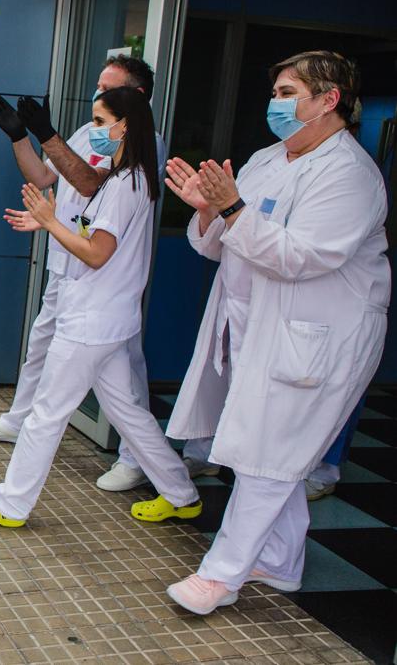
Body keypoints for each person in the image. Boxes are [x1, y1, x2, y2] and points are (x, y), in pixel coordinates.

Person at [161, 51, 388, 615]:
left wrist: (231, 206)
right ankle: (280, 562)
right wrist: (208, 211)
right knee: (272, 449)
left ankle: (221, 576)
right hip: (252, 326)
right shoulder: (268, 158)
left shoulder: (350, 176)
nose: (276, 104)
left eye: (289, 93)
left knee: (268, 452)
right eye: (277, 92)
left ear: (328, 99)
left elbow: (300, 257)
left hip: (317, 337)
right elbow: (214, 243)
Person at [0, 87, 201, 530]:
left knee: (47, 414)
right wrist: (51, 222)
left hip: (91, 322)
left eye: (99, 120)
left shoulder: (128, 183)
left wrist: (51, 222)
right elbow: (91, 227)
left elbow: (96, 253)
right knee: (128, 413)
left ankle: (10, 505)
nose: (93, 130)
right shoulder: (121, 176)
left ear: (125, 125)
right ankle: (182, 495)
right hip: (105, 320)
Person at [0, 54, 166, 493]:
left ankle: (135, 460)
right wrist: (21, 138)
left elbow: (92, 183)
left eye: (107, 88)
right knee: (41, 347)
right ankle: (16, 421)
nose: (97, 95)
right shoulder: (89, 131)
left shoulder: (144, 143)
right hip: (67, 266)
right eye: (98, 86)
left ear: (134, 98)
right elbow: (43, 175)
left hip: (104, 280)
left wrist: (46, 133)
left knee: (123, 377)